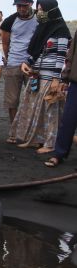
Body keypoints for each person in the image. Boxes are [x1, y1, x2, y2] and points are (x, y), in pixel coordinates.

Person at [10, 0, 71, 154]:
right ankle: (35, 139)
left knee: (49, 111)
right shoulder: (42, 28)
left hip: (50, 77)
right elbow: (36, 52)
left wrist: (57, 79)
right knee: (32, 109)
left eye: (42, 10)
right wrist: (27, 63)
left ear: (52, 11)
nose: (39, 13)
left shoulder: (61, 30)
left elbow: (61, 56)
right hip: (36, 74)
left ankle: (50, 143)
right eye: (38, 10)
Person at [0, 0, 38, 127]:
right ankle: (14, 129)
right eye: (18, 6)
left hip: (33, 65)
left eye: (25, 5)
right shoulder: (9, 21)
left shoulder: (39, 18)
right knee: (12, 100)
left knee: (34, 98)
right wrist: (9, 59)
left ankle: (30, 129)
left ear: (31, 4)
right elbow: (5, 43)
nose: (21, 8)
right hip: (14, 63)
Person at [45, 27, 77, 167]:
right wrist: (64, 78)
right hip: (76, 83)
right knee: (68, 120)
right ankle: (59, 154)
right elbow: (71, 55)